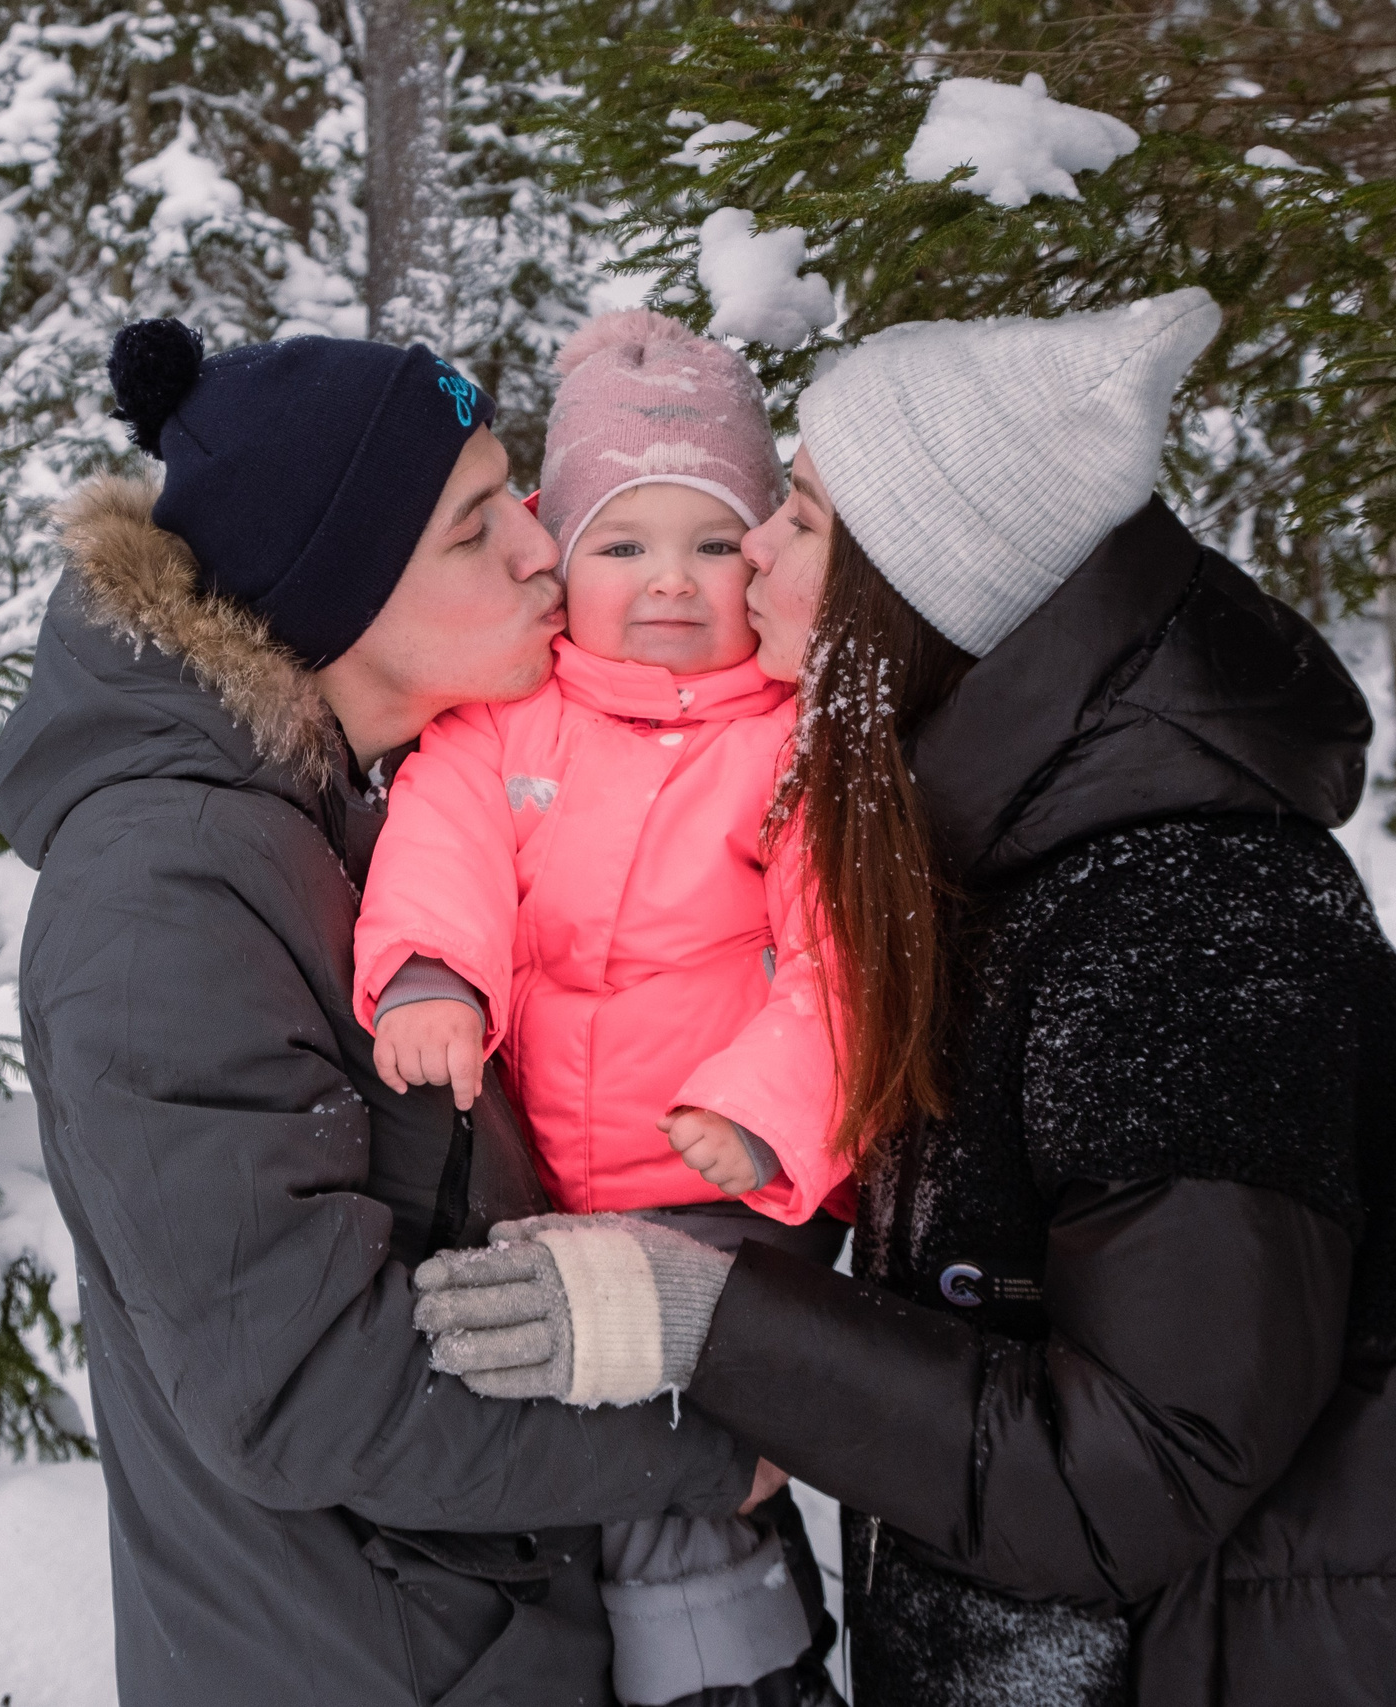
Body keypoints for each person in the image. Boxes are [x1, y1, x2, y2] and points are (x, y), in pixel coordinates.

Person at [415, 293, 1396, 1704]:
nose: (747, 546)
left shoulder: (1184, 927)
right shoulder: (1006, 853)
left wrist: (705, 1317)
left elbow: (1139, 1468)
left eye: (801, 518)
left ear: (919, 589)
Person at [0, 319, 785, 1707]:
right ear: (339, 595)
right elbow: (302, 1390)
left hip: (475, 1636)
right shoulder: (162, 898)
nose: (543, 548)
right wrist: (721, 1440)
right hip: (363, 1663)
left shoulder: (350, 808)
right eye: (477, 528)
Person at [352, 311, 852, 1707]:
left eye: (714, 543)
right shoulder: (508, 720)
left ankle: (737, 1685)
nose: (671, 581)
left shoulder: (791, 747)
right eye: (623, 546)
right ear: (559, 560)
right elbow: (443, 845)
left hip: (720, 1196)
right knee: (555, 1446)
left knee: (674, 1461)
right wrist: (434, 974)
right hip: (537, 1188)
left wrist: (765, 1111)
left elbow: (842, 965)